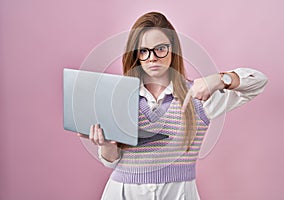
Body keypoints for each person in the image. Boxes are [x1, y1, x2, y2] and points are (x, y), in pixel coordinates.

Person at [78, 11, 268, 200]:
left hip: (179, 194)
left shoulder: (198, 95)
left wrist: (220, 79)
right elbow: (111, 161)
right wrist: (106, 145)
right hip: (123, 193)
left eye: (160, 48)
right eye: (143, 51)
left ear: (173, 50)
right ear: (136, 56)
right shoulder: (120, 97)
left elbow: (258, 82)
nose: (152, 57)